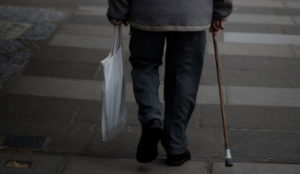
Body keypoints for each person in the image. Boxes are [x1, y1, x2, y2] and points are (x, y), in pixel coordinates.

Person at [107, 0, 233, 166]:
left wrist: (118, 9)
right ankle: (176, 145)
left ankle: (152, 118)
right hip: (192, 13)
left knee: (145, 65)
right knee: (185, 74)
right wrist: (220, 10)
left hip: (147, 12)